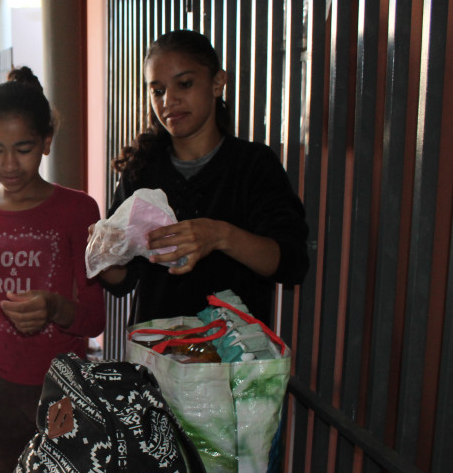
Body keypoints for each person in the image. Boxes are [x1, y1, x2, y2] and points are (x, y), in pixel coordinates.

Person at [0, 67, 106, 473]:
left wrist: (55, 308)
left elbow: (95, 319)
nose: (8, 164)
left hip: (63, 383)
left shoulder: (78, 210)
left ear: (46, 142)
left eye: (23, 149)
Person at [97, 30, 309, 327]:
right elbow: (122, 281)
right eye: (157, 91)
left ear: (217, 83)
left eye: (184, 84)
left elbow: (291, 263)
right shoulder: (142, 170)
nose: (169, 100)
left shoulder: (254, 165)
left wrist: (220, 235)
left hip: (234, 349)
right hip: (158, 348)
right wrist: (103, 254)